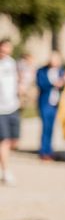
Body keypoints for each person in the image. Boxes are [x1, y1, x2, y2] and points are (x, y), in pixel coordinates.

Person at [35, 51, 65, 160]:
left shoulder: (61, 72)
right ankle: (44, 151)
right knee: (45, 126)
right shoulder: (42, 71)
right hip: (45, 103)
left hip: (55, 103)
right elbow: (41, 84)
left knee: (51, 127)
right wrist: (54, 83)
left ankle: (49, 150)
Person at [0, 39, 20, 185]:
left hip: (13, 106)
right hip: (0, 109)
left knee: (14, 141)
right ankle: (6, 171)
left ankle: (3, 162)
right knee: (4, 141)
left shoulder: (11, 63)